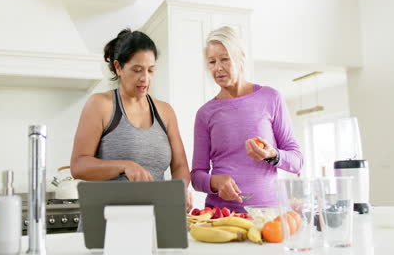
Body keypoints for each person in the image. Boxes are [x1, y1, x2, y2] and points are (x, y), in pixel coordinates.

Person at [70, 28, 192, 212]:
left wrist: (180, 189)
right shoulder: (101, 105)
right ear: (118, 67)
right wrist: (124, 166)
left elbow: (180, 165)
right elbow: (78, 165)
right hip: (108, 222)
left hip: (156, 219)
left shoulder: (165, 111)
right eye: (137, 70)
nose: (145, 78)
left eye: (151, 70)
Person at [190, 26, 303, 213]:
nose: (218, 67)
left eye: (224, 59)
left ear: (240, 57)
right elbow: (196, 176)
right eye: (211, 62)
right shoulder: (205, 113)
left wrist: (273, 155)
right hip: (221, 215)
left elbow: (297, 160)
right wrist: (215, 182)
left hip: (268, 214)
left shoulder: (271, 98)